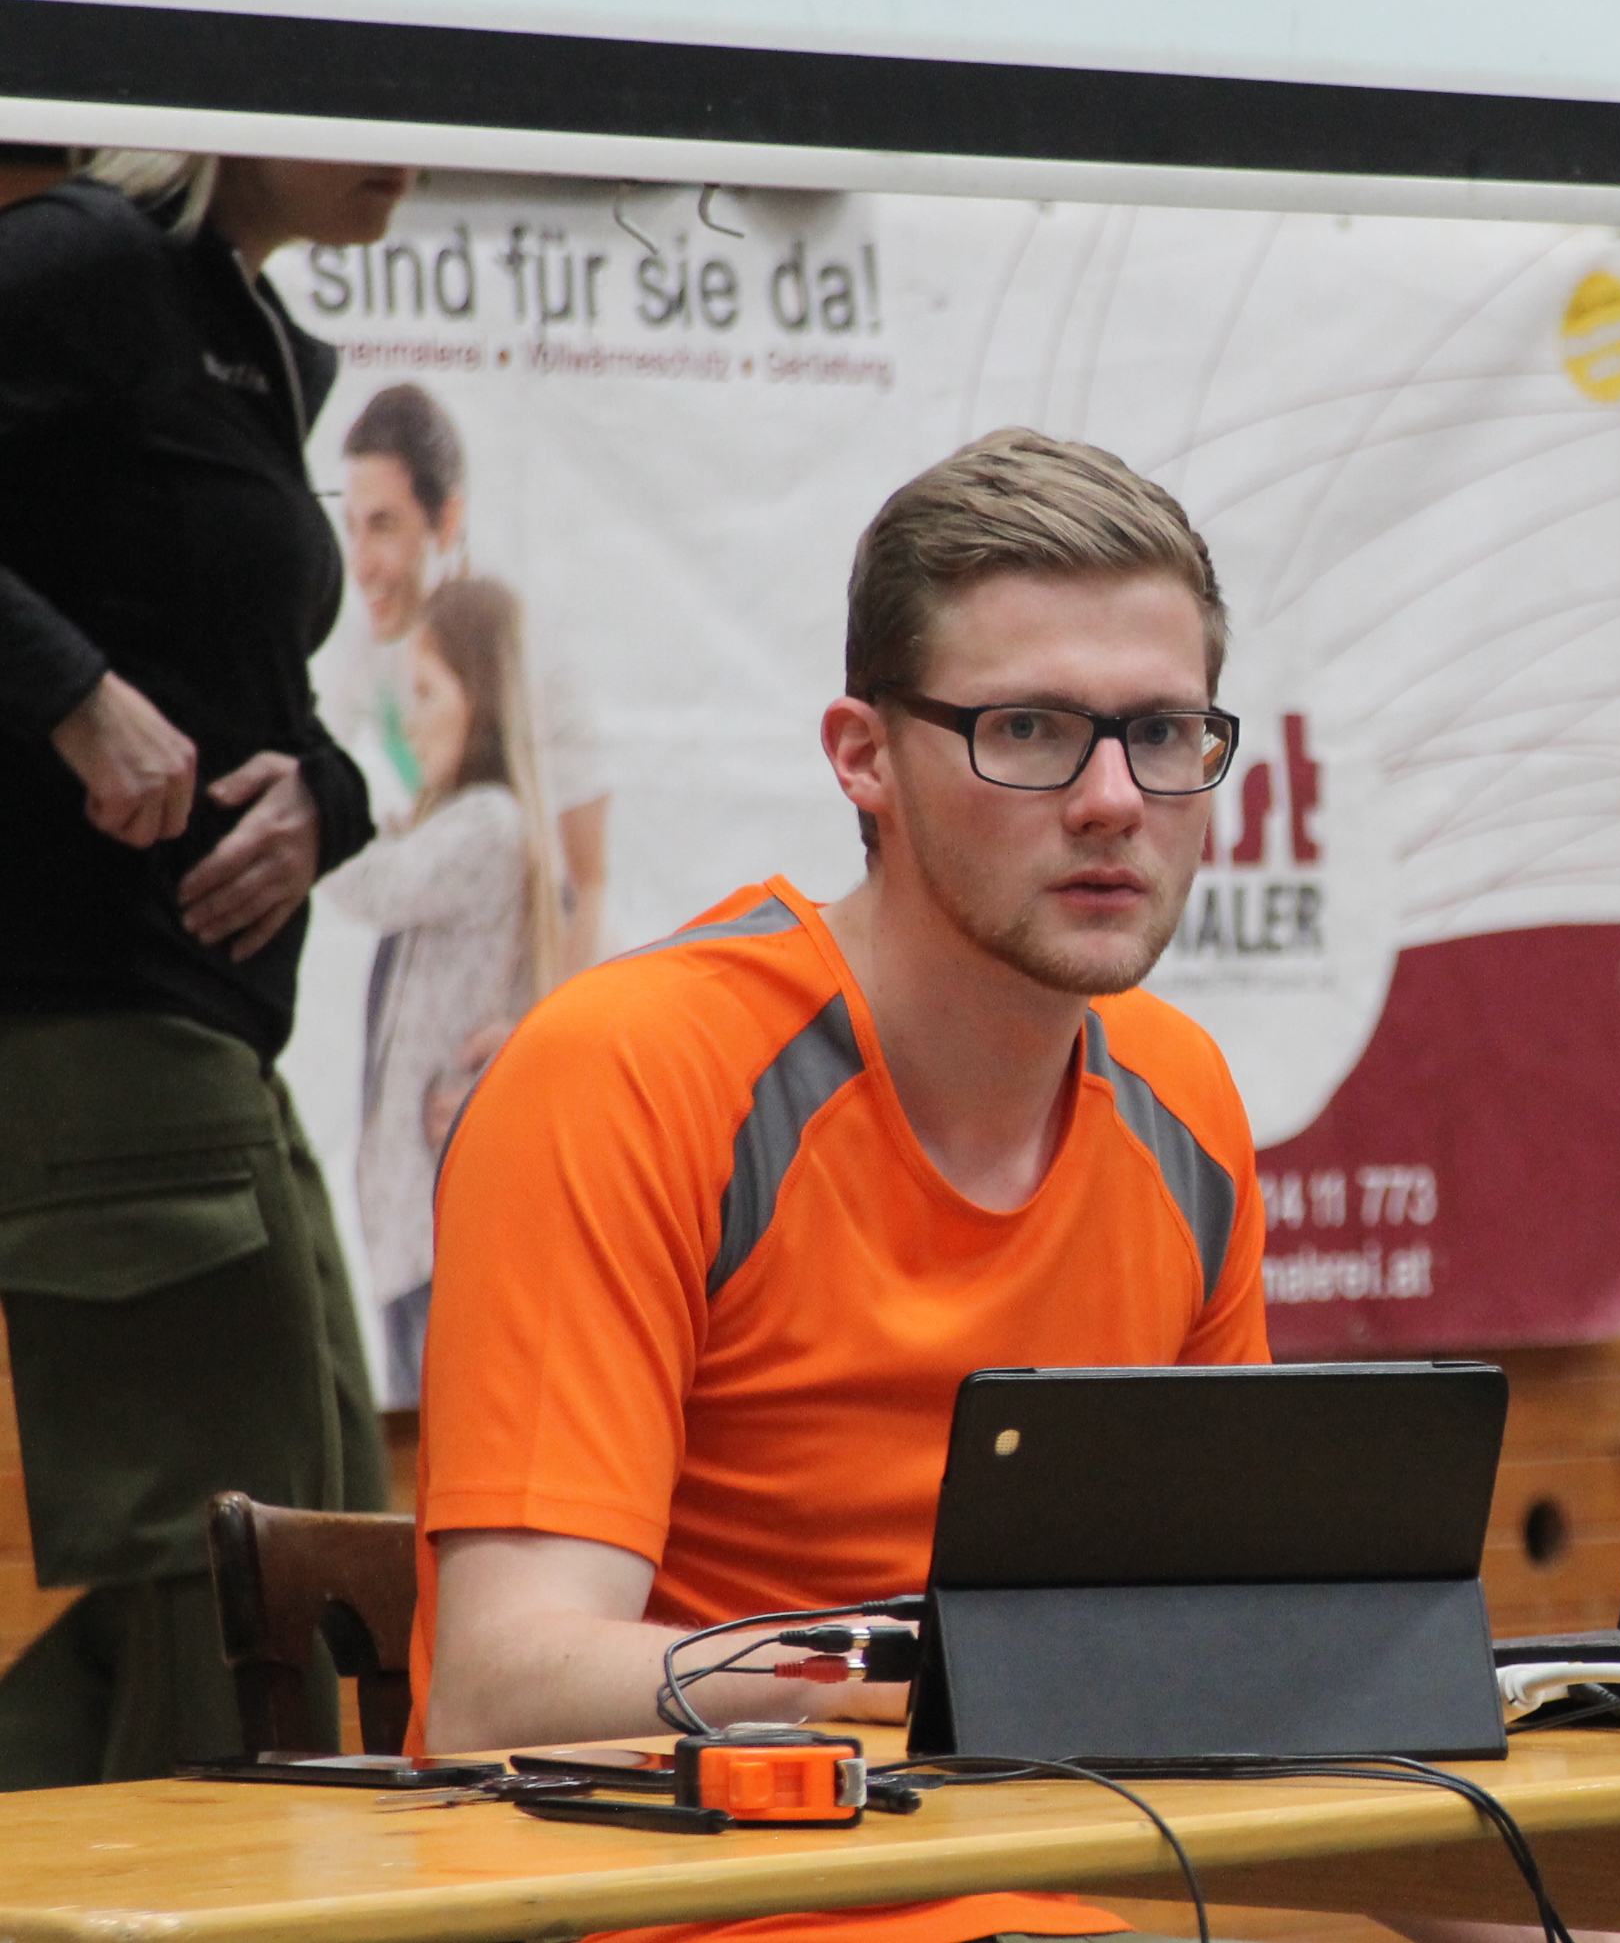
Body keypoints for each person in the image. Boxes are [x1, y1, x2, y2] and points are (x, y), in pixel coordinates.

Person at [410, 429, 1267, 1943]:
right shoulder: (630, 1070)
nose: (1113, 798)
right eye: (1027, 729)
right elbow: (498, 1686)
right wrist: (914, 1670)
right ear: (863, 756)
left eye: (1162, 731)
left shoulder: (1182, 1101)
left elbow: (1244, 1664)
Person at [0, 150, 407, 1785]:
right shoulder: (90, 259)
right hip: (89, 1010)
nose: (404, 138)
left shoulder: (250, 335)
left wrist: (328, 795)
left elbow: (242, 675)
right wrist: (69, 693)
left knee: (312, 1548)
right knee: (242, 1585)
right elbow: (120, 661)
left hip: (204, 1027)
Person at [319, 577, 563, 1406]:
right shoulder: (465, 826)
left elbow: (363, 883)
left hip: (439, 1226)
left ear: (479, 698)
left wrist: (319, 785)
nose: (410, 723)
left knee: (439, 1442)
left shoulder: (487, 825)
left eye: (425, 695)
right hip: (415, 1226)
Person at [324, 380, 613, 971]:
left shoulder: (529, 654)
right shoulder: (364, 659)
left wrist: (544, 1016)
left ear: (448, 519)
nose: (360, 563)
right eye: (351, 526)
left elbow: (589, 885)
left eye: (383, 525)